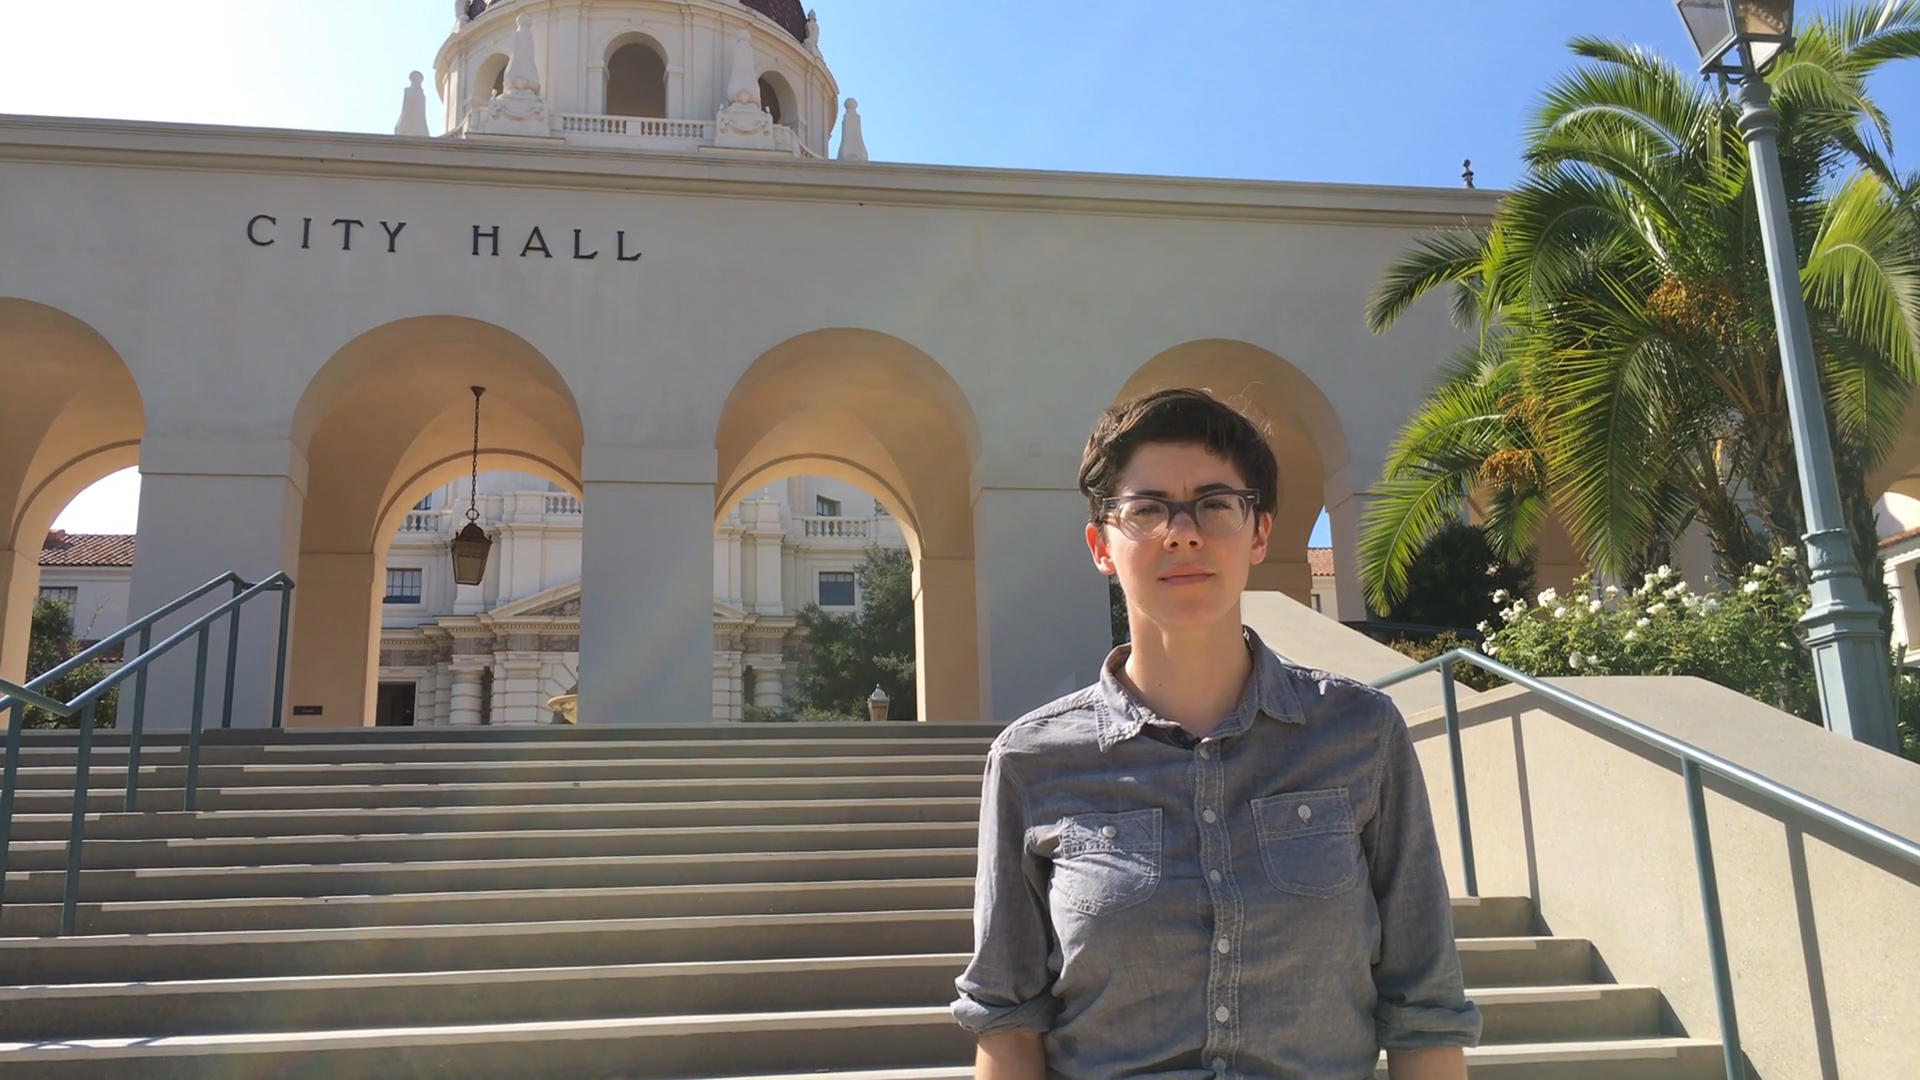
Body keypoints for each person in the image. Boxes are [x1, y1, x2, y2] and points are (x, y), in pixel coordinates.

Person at [952, 388, 1481, 1079]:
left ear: (1258, 532)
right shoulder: (1032, 761)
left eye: (1214, 503)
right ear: (1101, 547)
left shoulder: (1359, 733)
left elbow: (1425, 1004)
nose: (1183, 532)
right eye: (1145, 510)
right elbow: (1007, 1019)